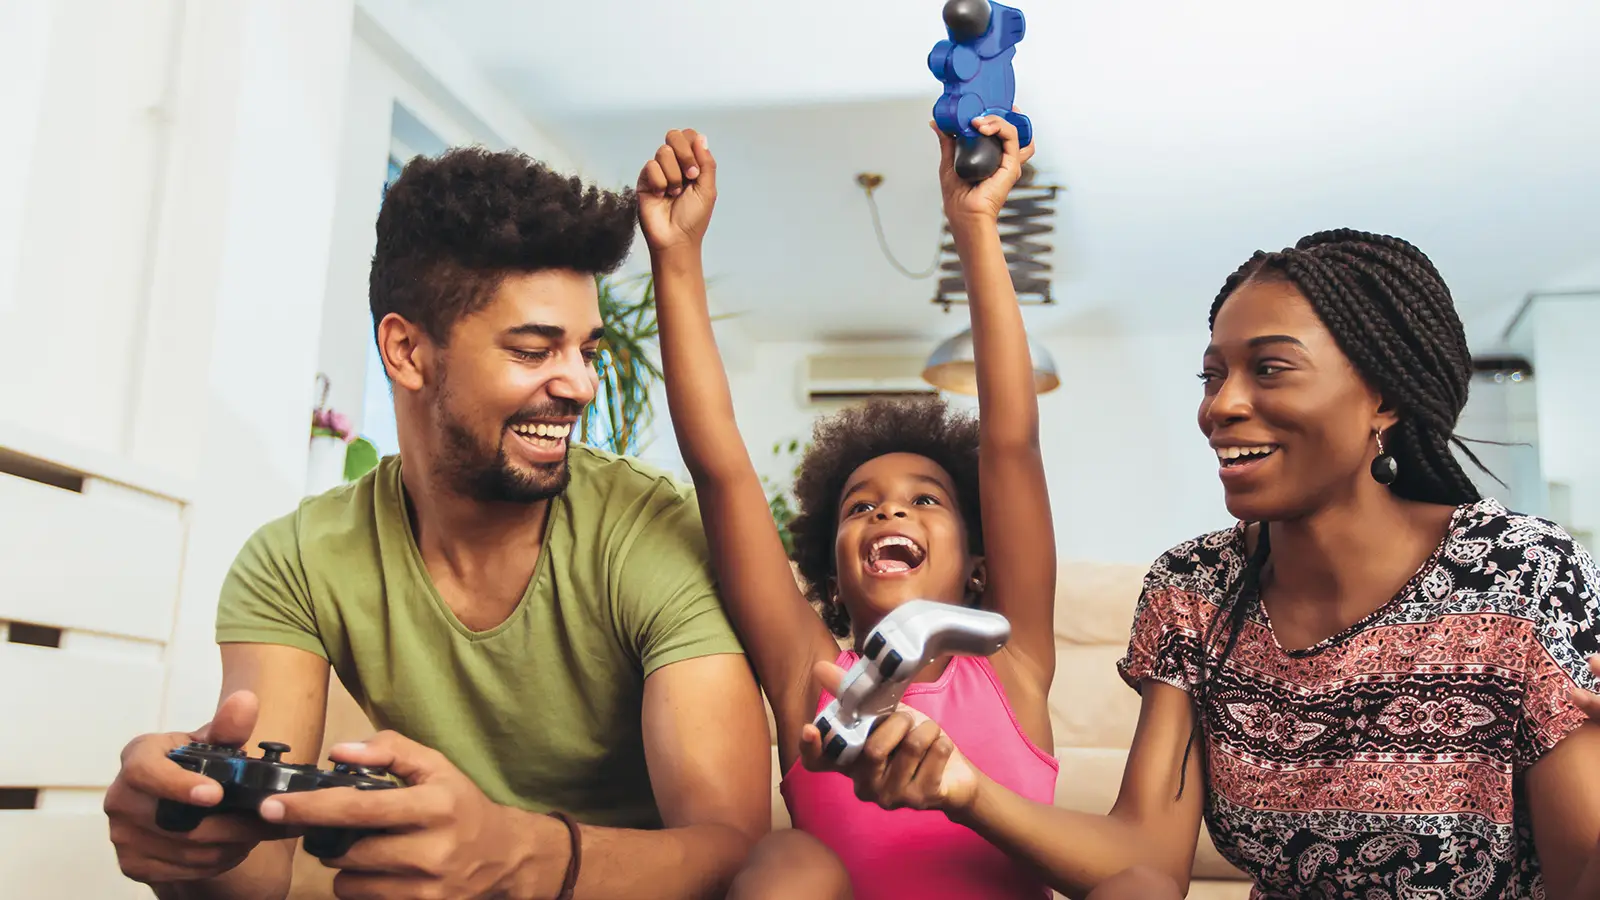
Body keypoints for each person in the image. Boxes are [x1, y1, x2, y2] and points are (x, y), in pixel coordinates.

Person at [805, 229, 1600, 899]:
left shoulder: (1520, 574)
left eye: (1270, 368)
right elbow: (1146, 863)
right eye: (1214, 375)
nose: (1220, 406)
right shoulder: (1194, 591)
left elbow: (1585, 865)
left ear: (1384, 396)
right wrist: (963, 791)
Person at [102, 147, 772, 899]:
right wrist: (186, 839)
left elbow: (737, 852)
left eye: (587, 350)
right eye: (532, 349)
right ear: (406, 350)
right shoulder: (292, 564)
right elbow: (255, 878)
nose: (580, 384)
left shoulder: (647, 531)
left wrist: (520, 855)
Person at [637, 116, 1059, 900]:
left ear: (977, 565)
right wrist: (675, 255)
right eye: (859, 508)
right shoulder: (812, 674)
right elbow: (722, 469)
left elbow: (1010, 444)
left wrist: (974, 224)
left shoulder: (1014, 663)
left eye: (923, 500)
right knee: (787, 862)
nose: (887, 515)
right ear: (830, 568)